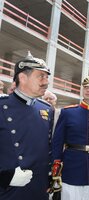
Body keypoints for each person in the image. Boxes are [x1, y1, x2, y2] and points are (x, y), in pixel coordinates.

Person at [0, 51, 53, 199]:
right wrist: (4, 177)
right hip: (9, 190)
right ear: (22, 78)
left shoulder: (46, 109)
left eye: (47, 77)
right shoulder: (1, 106)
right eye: (41, 76)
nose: (46, 82)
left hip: (39, 188)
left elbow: (46, 149)